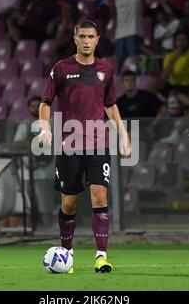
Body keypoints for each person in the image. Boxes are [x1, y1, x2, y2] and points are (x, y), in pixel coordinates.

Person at [39, 20, 131, 273]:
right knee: (69, 203)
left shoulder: (106, 70)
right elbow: (45, 102)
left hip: (98, 143)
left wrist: (123, 134)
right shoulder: (61, 68)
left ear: (98, 39)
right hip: (69, 145)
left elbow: (110, 105)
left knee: (100, 196)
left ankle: (101, 256)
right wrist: (45, 127)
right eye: (83, 36)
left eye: (92, 36)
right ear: (75, 38)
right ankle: (66, 256)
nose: (87, 40)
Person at [12, 96, 56, 227]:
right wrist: (32, 141)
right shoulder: (24, 125)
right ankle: (31, 228)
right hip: (27, 169)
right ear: (29, 108)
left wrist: (33, 142)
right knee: (27, 203)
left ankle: (47, 227)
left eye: (38, 106)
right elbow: (17, 143)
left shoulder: (51, 123)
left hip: (45, 170)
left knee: (45, 203)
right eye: (33, 106)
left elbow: (50, 141)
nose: (36, 109)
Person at [114, 0, 143, 68]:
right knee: (120, 63)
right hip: (120, 34)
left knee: (133, 63)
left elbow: (136, 4)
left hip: (133, 31)